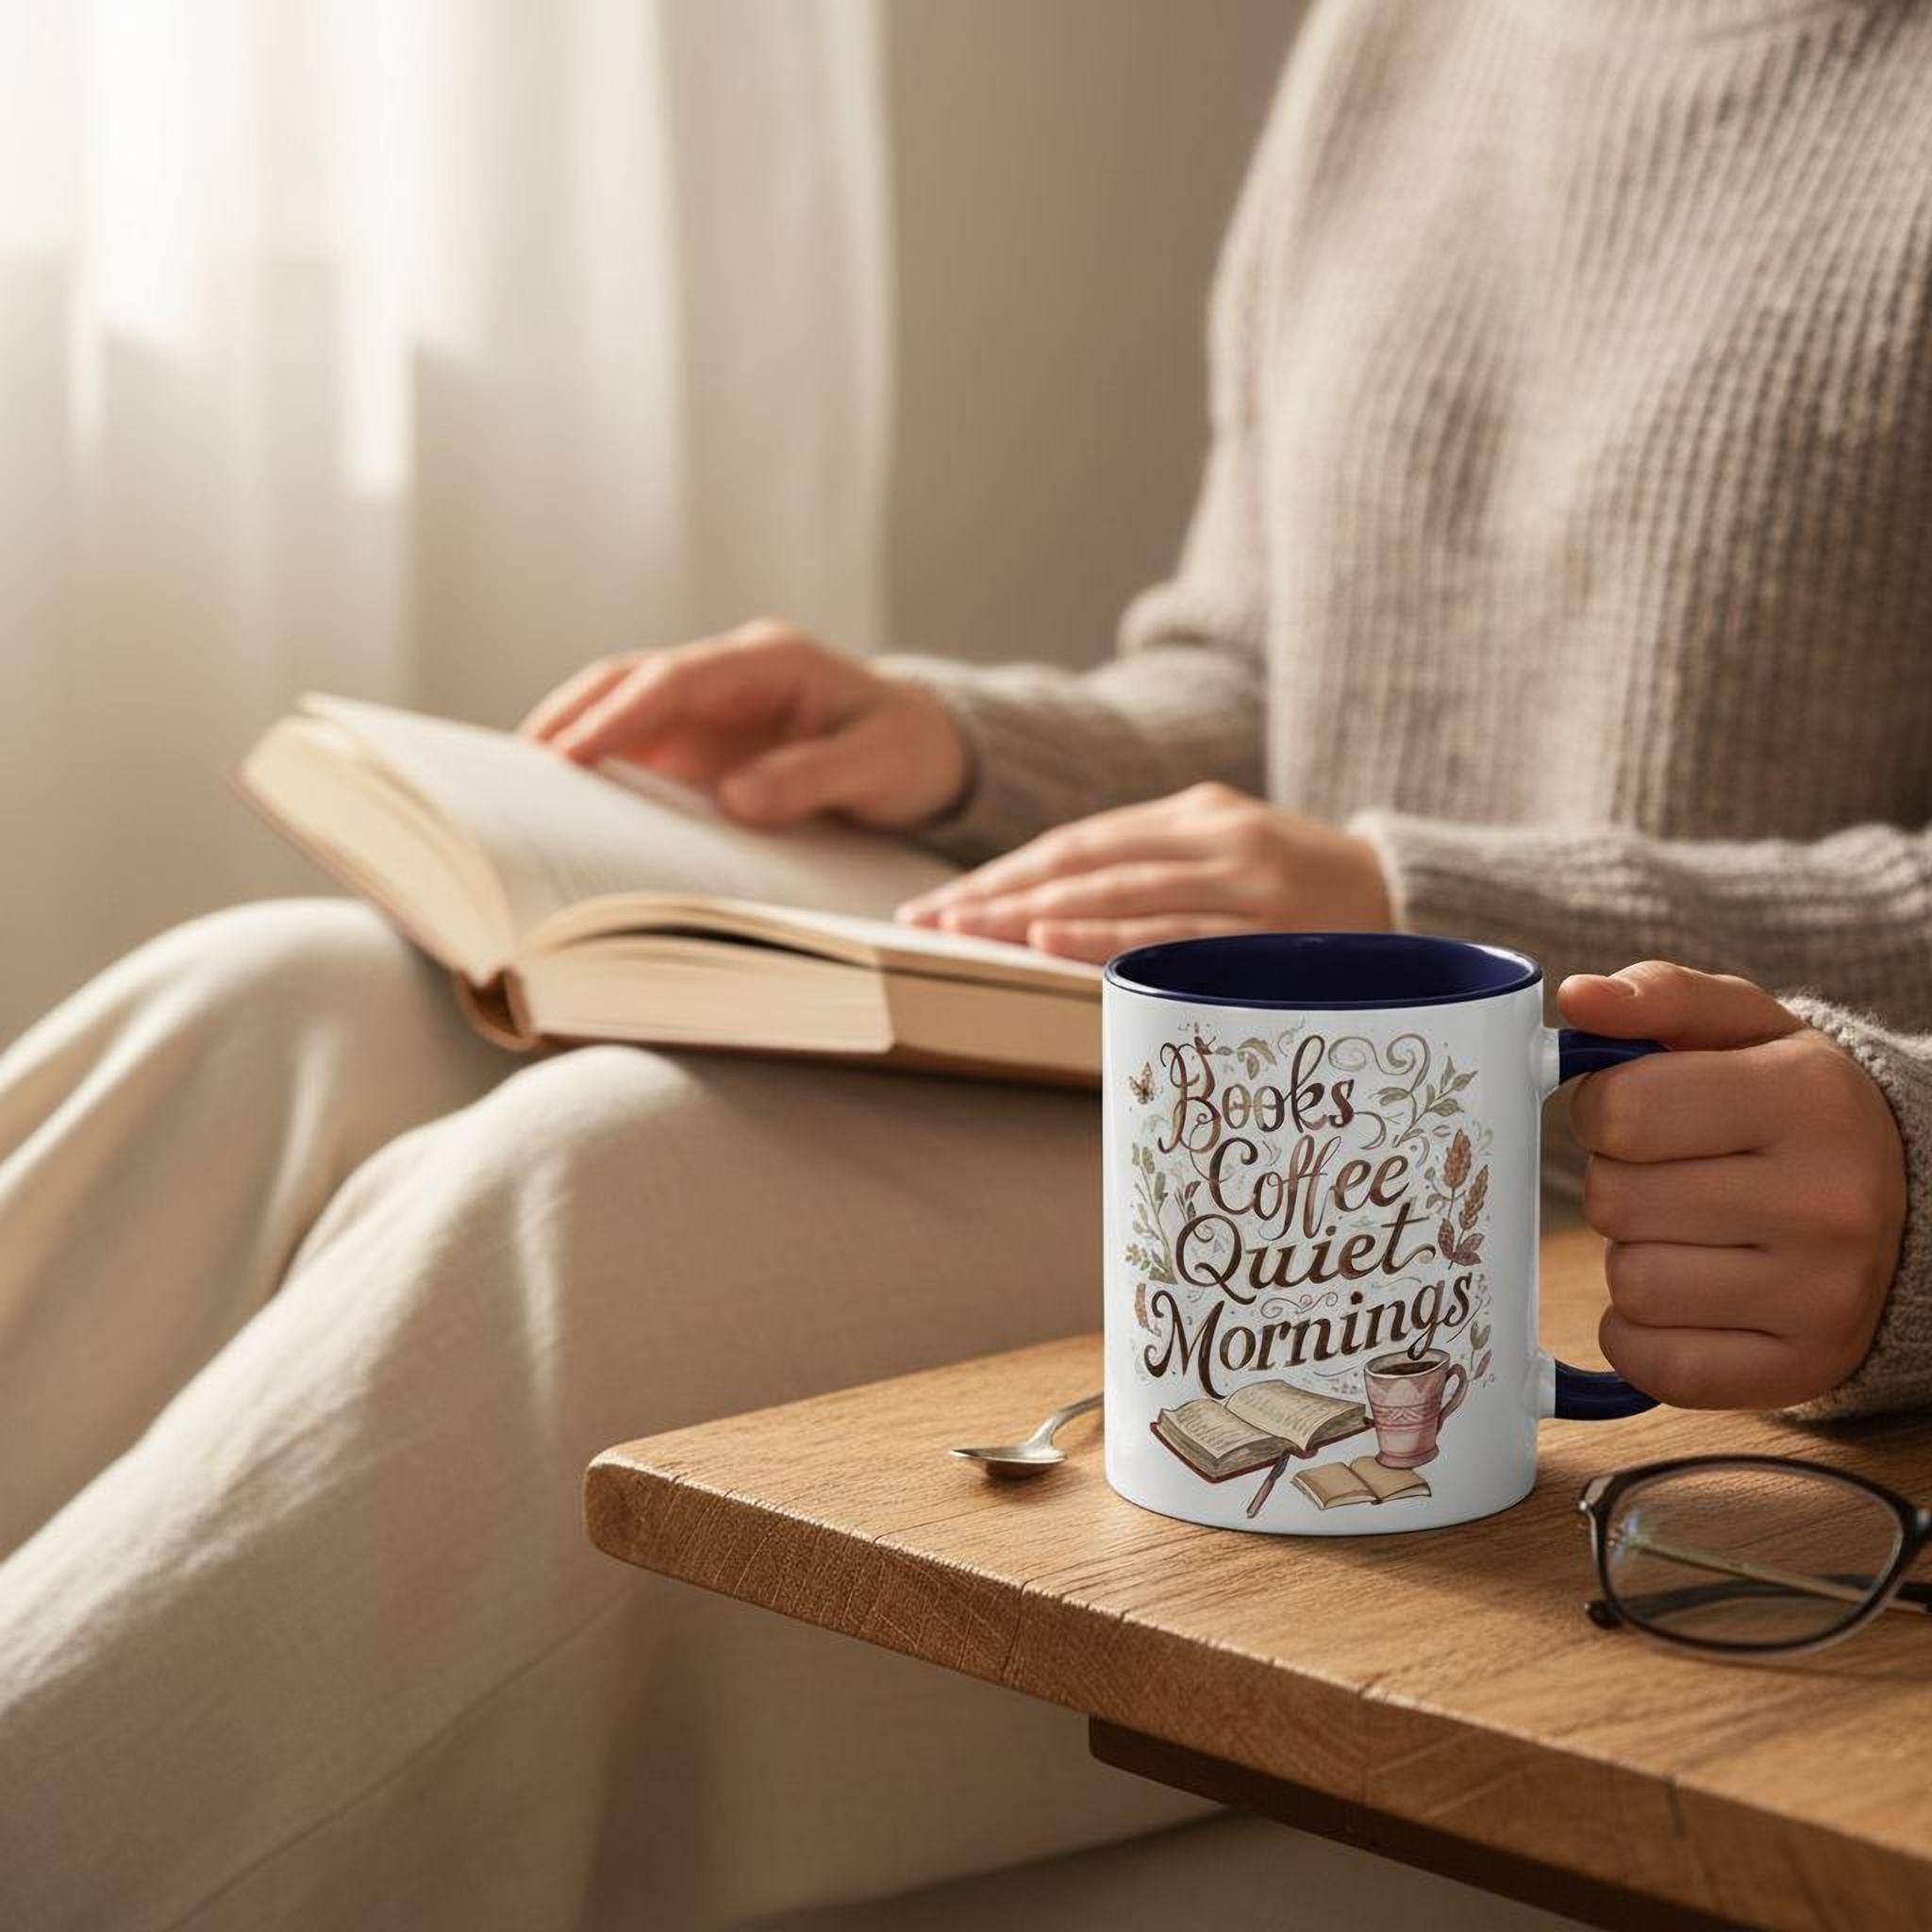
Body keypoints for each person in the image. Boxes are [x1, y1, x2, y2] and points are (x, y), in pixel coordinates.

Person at [4, 1, 1930, 1924]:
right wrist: (959, 750)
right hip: (1216, 1060)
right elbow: (1260, 675)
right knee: (272, 1005)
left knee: (577, 1201)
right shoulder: (1409, 33)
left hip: (1550, 1194)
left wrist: (1407, 896)